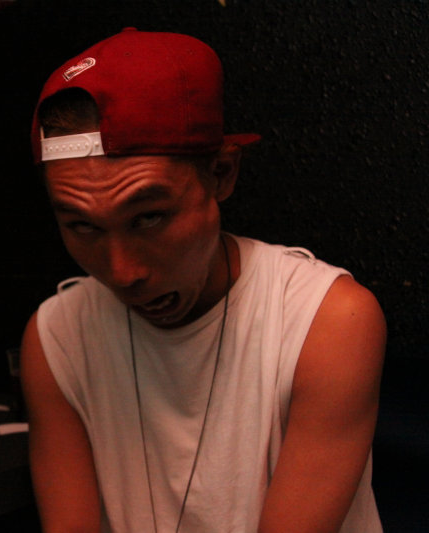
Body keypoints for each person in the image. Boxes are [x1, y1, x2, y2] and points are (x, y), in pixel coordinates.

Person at [20, 28, 386, 533]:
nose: (122, 272)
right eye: (83, 226)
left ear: (222, 173)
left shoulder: (326, 321)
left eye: (148, 218)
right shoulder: (57, 337)